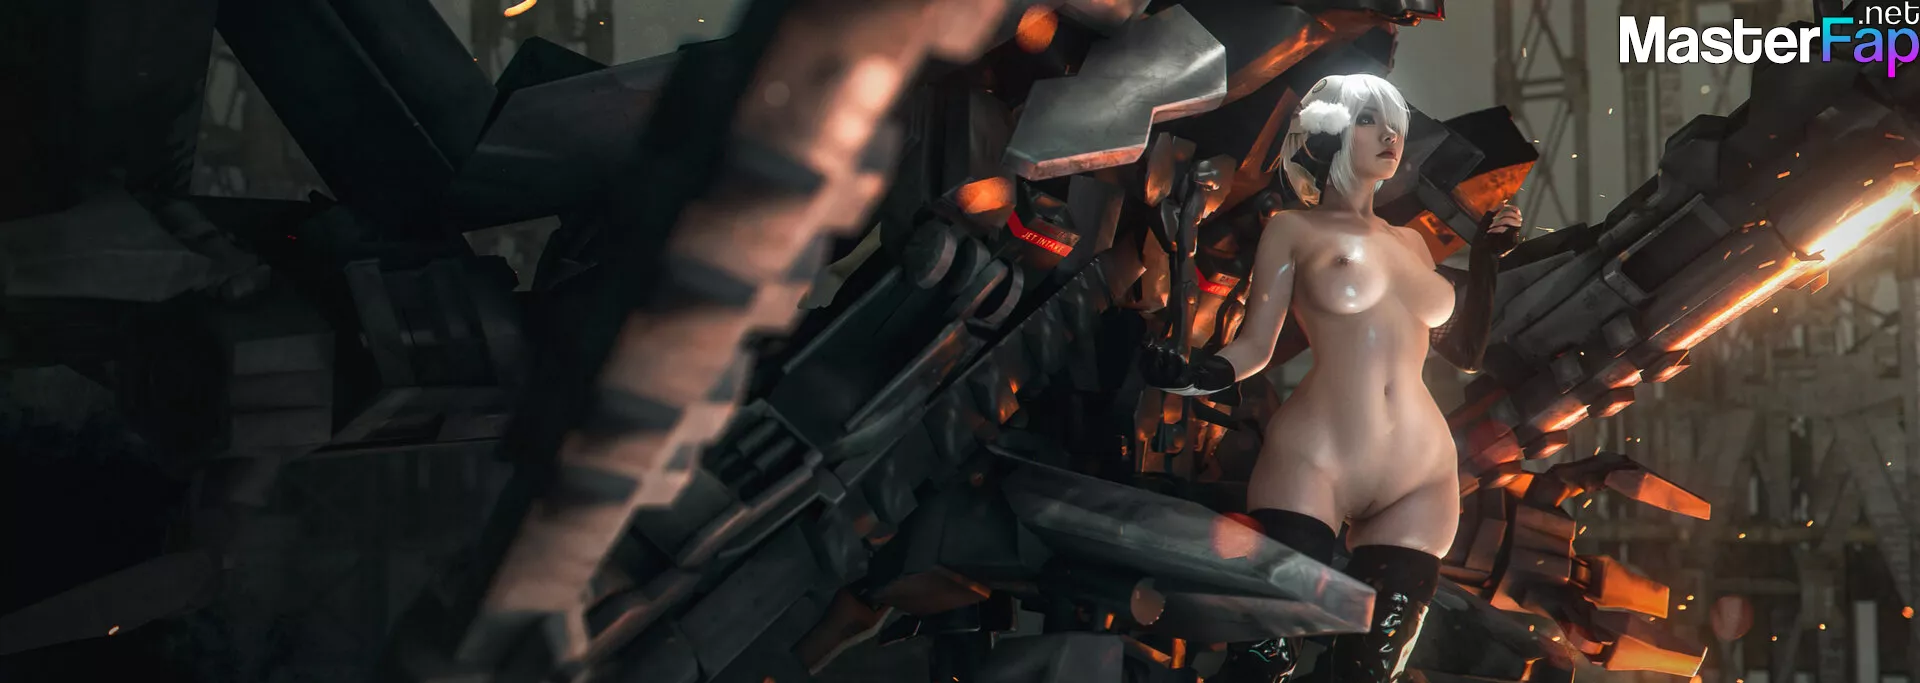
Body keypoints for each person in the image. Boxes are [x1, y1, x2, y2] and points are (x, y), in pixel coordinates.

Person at [1141, 73, 1521, 683]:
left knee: (1370, 672)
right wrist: (1192, 376)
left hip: (1422, 471)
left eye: (1396, 126)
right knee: (1265, 657)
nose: (1390, 136)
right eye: (1370, 121)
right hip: (1317, 456)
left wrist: (1485, 263)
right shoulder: (1293, 229)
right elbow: (1255, 347)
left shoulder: (1413, 244)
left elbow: (1466, 352)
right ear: (1328, 132)